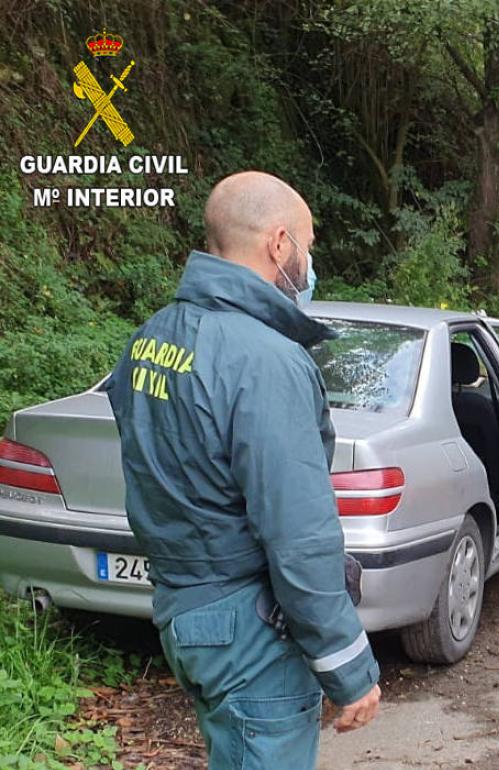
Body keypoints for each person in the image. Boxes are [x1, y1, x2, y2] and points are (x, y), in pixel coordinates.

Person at [106, 171, 381, 769]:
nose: (308, 265)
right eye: (307, 247)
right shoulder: (266, 360)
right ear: (280, 244)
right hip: (250, 628)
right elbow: (298, 532)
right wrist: (348, 666)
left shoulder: (150, 338)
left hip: (185, 612)